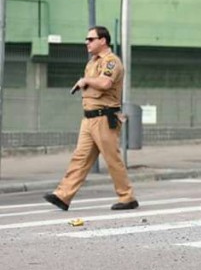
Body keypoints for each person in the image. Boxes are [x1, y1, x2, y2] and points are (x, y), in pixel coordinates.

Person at [43, 26, 138, 211]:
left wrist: (85, 81)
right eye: (87, 39)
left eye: (91, 39)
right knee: (80, 158)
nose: (87, 42)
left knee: (112, 160)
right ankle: (63, 195)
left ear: (103, 40)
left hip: (104, 118)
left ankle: (127, 197)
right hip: (88, 119)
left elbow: (105, 83)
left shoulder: (112, 62)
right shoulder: (92, 63)